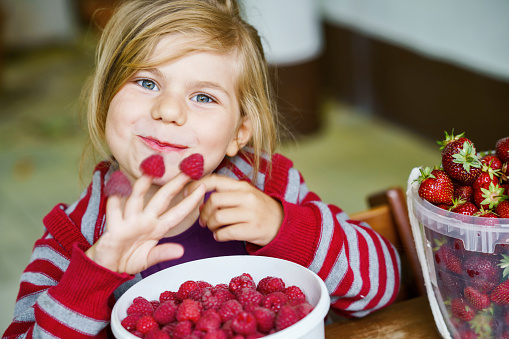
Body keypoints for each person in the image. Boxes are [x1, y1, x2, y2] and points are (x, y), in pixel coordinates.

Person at [3, 0, 400, 338]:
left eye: (203, 96)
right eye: (146, 82)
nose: (169, 110)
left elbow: (385, 287)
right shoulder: (71, 239)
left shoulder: (269, 185)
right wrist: (95, 273)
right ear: (106, 99)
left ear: (238, 134)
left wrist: (284, 226)